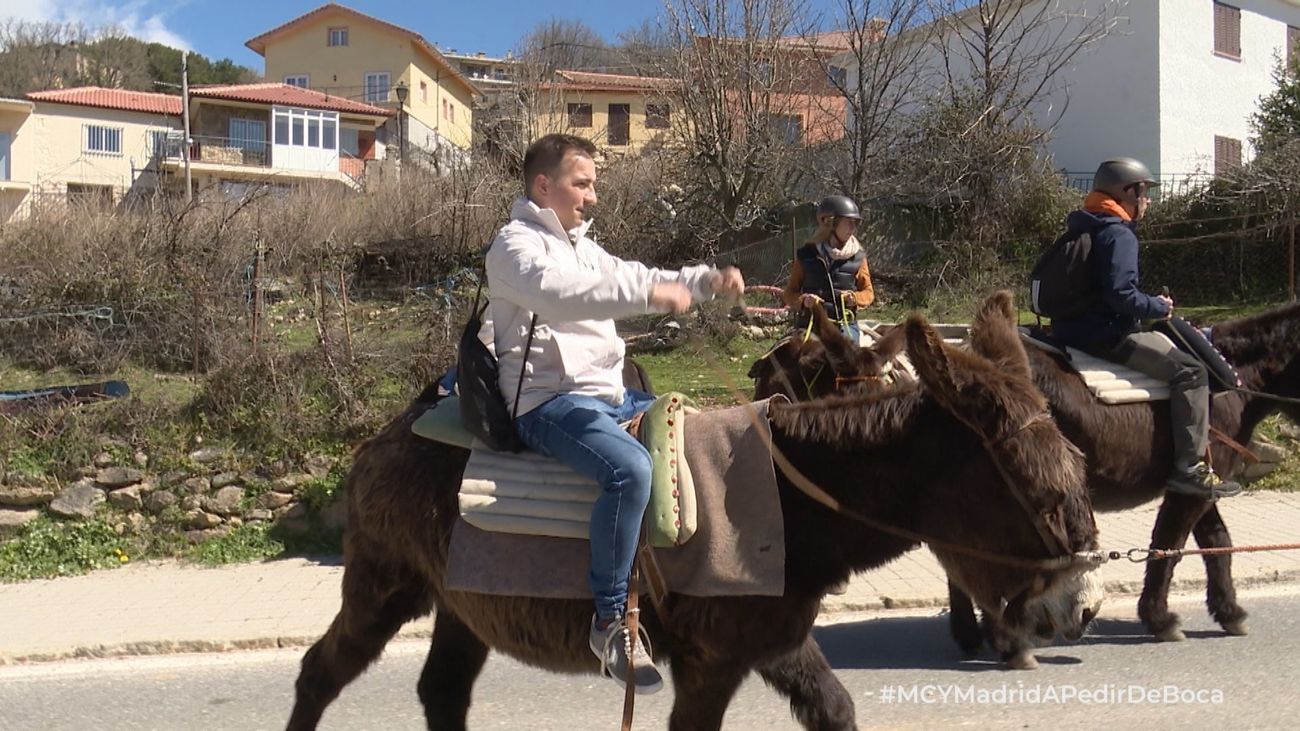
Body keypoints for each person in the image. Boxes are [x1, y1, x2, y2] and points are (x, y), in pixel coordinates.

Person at [483, 133, 745, 694]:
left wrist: (700, 281)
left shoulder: (583, 246)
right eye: (583, 184)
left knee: (701, 435)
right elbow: (561, 296)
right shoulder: (512, 248)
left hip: (609, 396)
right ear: (543, 186)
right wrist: (650, 298)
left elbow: (635, 274)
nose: (592, 197)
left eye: (593, 185)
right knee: (631, 470)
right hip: (545, 403)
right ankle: (608, 624)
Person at [1048, 157, 1241, 501]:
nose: (1148, 200)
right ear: (1128, 193)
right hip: (1105, 335)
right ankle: (1190, 469)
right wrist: (1158, 307)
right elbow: (1121, 296)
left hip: (1068, 331)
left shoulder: (1082, 225)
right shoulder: (1119, 234)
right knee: (1191, 372)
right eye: (1144, 193)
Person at [781, 195, 875, 342]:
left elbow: (868, 293)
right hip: (810, 326)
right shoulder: (806, 255)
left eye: (855, 223)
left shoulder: (859, 257)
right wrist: (804, 300)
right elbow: (789, 294)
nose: (853, 228)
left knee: (850, 361)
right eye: (848, 222)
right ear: (831, 223)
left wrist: (855, 298)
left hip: (845, 327)